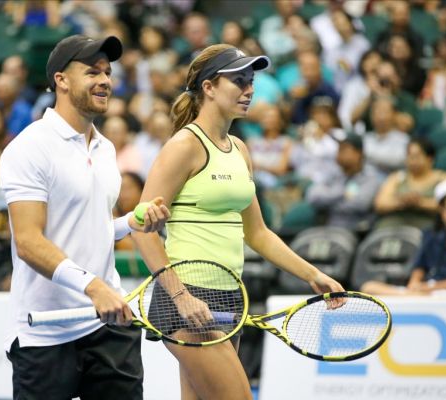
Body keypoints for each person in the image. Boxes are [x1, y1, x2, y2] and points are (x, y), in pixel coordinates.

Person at [132, 44, 344, 400]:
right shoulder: (184, 146)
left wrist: (313, 274)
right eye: (238, 81)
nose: (249, 90)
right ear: (209, 88)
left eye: (251, 81)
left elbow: (258, 233)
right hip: (185, 297)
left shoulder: (240, 149)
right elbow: (142, 229)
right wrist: (181, 297)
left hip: (230, 296)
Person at [0, 35, 170, 400]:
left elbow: (90, 232)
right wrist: (93, 287)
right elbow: (29, 243)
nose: (105, 80)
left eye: (108, 72)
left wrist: (131, 223)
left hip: (110, 326)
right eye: (92, 72)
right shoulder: (28, 149)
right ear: (61, 80)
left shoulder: (106, 149)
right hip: (45, 333)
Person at [362, 180, 446, 297]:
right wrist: (414, 284)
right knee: (369, 287)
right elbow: (419, 267)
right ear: (442, 213)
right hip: (423, 291)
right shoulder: (431, 237)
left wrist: (431, 288)